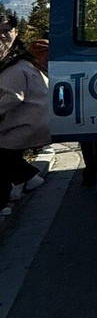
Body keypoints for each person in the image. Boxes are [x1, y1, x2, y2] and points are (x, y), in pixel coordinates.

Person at [0, 15, 50, 202]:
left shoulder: (16, 67)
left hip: (29, 123)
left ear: (16, 33)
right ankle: (28, 178)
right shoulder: (19, 60)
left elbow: (12, 98)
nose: (2, 36)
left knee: (2, 152)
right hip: (31, 120)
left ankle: (5, 199)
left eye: (6, 31)